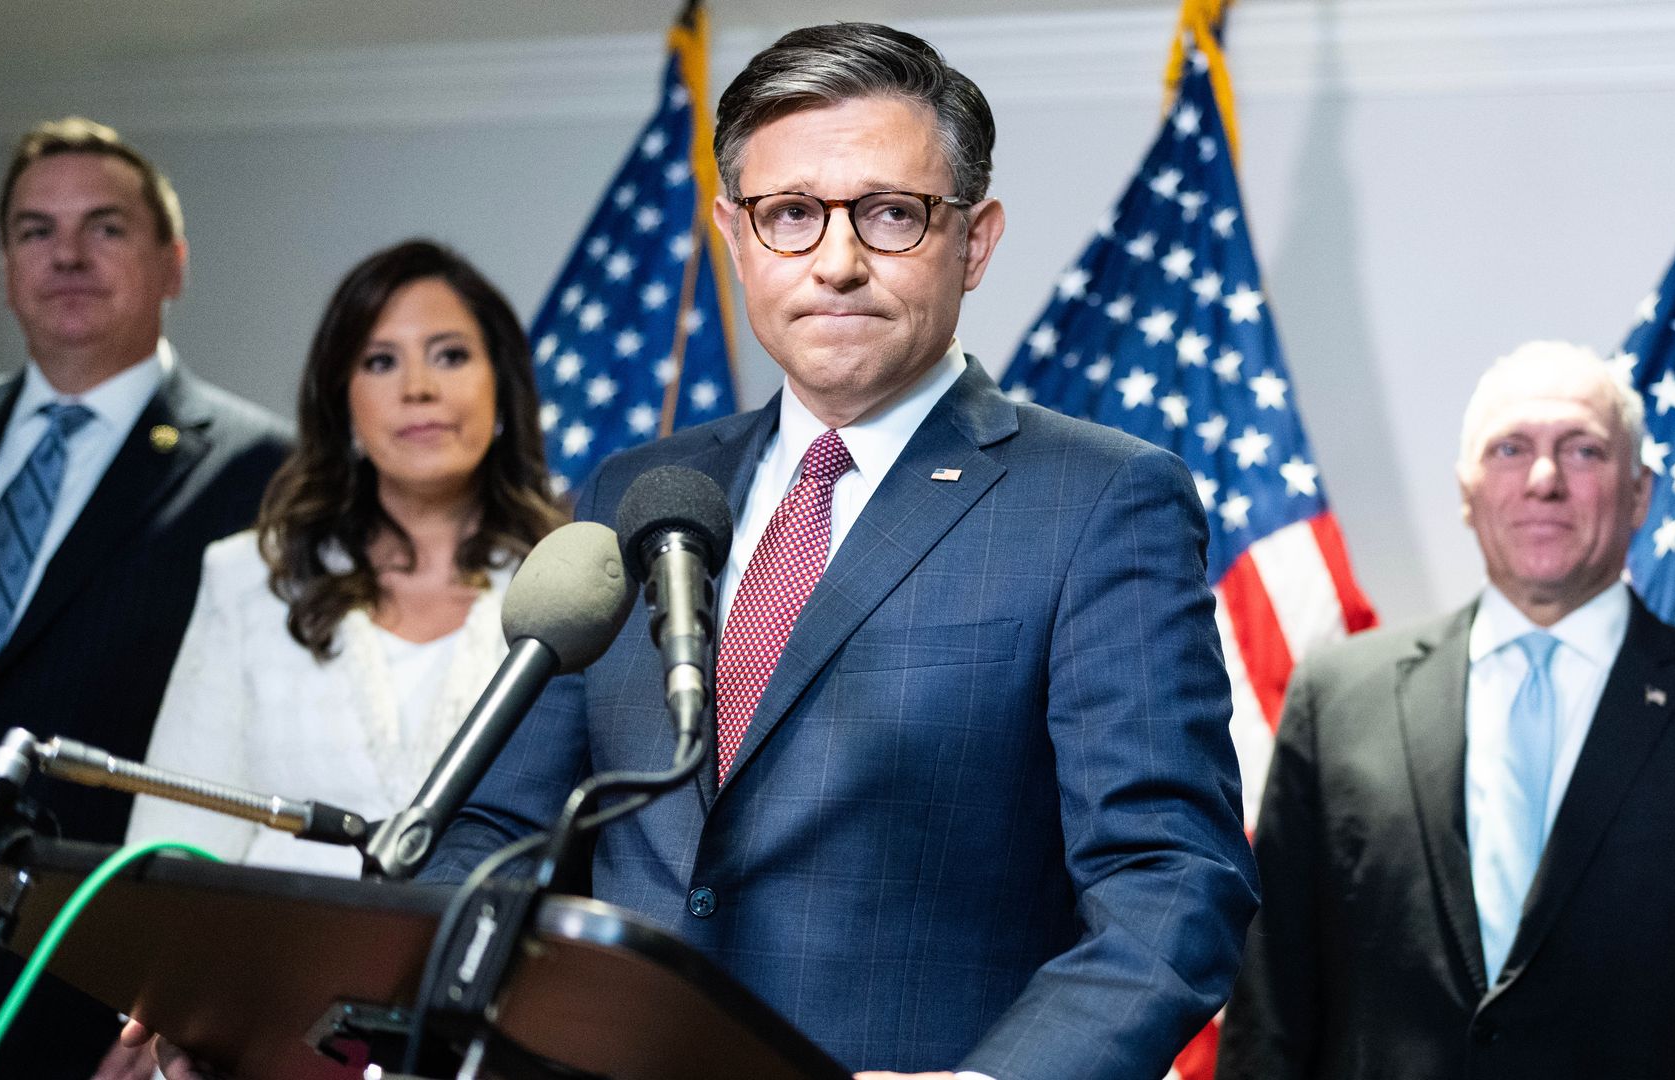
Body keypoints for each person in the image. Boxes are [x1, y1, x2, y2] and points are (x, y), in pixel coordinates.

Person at [413, 23, 1254, 1080]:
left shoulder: (1098, 500)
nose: (838, 263)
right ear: (735, 237)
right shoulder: (639, 492)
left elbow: (1169, 880)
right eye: (792, 215)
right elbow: (493, 825)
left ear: (975, 241)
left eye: (892, 214)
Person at [1215, 341, 1675, 1080]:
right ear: (1467, 492)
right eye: (1510, 449)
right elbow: (1272, 1014)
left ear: (1639, 494)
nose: (1543, 479)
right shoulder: (1337, 699)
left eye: (1583, 450)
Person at [0, 118, 291, 1077]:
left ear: (173, 263)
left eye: (104, 227)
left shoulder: (271, 473)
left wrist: (182, 1000)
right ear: (6, 269)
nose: (66, 255)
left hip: (83, 977)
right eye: (36, 231)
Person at [124, 239, 566, 876]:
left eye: (450, 355)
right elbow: (172, 846)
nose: (418, 388)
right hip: (273, 938)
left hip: (487, 939)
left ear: (502, 386)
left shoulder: (573, 592)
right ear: (343, 403)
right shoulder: (249, 578)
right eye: (381, 362)